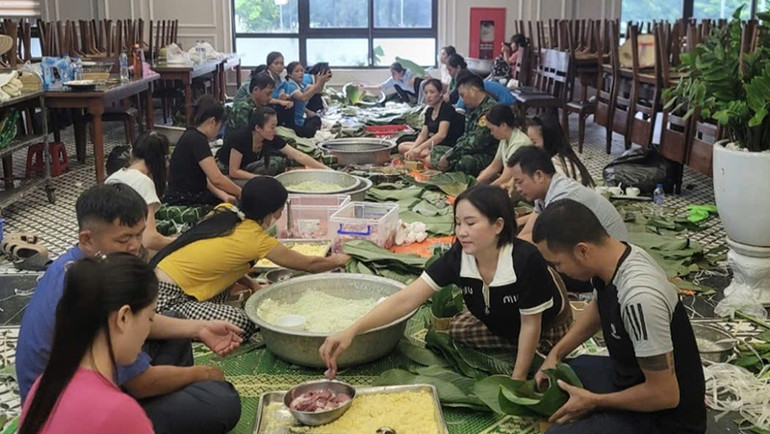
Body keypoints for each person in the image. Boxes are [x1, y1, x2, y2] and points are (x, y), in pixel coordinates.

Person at [16, 184, 242, 434]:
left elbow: (145, 322)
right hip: (85, 408)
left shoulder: (80, 268)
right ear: (88, 239)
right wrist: (202, 373)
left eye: (139, 234)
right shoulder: (82, 291)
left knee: (175, 324)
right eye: (124, 239)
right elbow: (139, 383)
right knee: (223, 400)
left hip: (58, 397)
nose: (135, 246)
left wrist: (199, 328)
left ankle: (171, 401)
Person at [319, 185, 572, 380]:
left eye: (471, 223)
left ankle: (544, 351)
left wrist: (516, 379)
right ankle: (519, 348)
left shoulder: (525, 261)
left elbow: (531, 324)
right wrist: (352, 330)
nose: (461, 232)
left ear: (498, 225)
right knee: (456, 330)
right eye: (458, 223)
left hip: (544, 324)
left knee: (537, 362)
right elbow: (407, 299)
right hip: (504, 320)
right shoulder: (460, 256)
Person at [531, 199, 706, 434]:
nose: (559, 271)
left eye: (558, 263)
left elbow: (665, 395)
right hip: (632, 377)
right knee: (566, 372)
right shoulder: (613, 257)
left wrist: (594, 401)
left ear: (582, 250)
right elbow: (599, 306)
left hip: (666, 418)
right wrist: (555, 354)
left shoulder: (639, 297)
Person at [151, 177, 350, 338]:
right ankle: (178, 324)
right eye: (281, 209)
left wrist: (252, 284)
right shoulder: (255, 239)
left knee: (231, 294)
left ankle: (201, 314)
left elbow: (223, 260)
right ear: (272, 211)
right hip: (166, 301)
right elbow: (310, 264)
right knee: (243, 324)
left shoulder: (225, 211)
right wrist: (341, 259)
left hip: (165, 282)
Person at [19, 254, 158, 434]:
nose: (149, 328)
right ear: (123, 317)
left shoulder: (45, 384)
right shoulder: (119, 412)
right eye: (150, 317)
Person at [507, 146, 627, 244]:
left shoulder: (562, 197)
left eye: (519, 181)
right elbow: (527, 234)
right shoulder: (545, 194)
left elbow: (541, 243)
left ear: (539, 176)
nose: (517, 188)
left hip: (611, 258)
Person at [165, 95, 242, 207]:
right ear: (212, 122)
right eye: (219, 126)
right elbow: (217, 179)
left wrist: (223, 195)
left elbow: (205, 179)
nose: (218, 131)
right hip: (186, 200)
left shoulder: (191, 134)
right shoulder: (197, 140)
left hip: (184, 195)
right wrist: (241, 192)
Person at [106, 132, 176, 252]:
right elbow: (149, 240)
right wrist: (183, 241)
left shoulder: (113, 178)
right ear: (164, 160)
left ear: (132, 153)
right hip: (126, 254)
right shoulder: (143, 182)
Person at [218, 107, 329, 182]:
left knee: (272, 166)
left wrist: (326, 170)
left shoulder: (269, 137)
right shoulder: (241, 138)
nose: (275, 130)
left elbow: (298, 155)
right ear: (258, 128)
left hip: (245, 167)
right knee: (257, 187)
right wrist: (261, 179)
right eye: (272, 127)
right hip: (226, 169)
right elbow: (234, 171)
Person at [430, 73, 498, 176]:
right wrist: (451, 153)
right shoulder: (472, 108)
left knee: (465, 163)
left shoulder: (490, 110)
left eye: (462, 95)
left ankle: (448, 169)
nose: (462, 100)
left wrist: (450, 156)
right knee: (436, 150)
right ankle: (448, 168)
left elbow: (476, 142)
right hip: (469, 150)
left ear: (474, 90)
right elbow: (465, 136)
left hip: (486, 154)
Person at [398, 79, 464, 167]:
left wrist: (420, 148)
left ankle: (423, 157)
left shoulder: (446, 109)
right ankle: (421, 156)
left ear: (440, 93)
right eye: (426, 93)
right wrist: (413, 149)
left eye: (432, 92)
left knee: (428, 160)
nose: (428, 96)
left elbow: (441, 135)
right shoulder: (429, 111)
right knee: (402, 146)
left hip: (448, 146)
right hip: (433, 146)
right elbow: (423, 135)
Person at [525, 115, 594, 187]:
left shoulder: (556, 167)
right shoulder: (565, 154)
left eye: (534, 142)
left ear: (549, 142)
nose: (530, 146)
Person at [476, 104, 532, 186]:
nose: (491, 133)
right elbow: (494, 166)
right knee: (483, 174)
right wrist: (474, 183)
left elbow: (506, 177)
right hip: (510, 180)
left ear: (503, 125)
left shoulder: (519, 143)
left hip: (519, 184)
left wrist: (484, 191)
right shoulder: (504, 139)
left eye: (492, 129)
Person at [283, 61, 331, 138]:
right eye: (297, 71)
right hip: (293, 123)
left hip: (301, 120)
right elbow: (303, 98)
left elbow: (317, 90)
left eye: (302, 71)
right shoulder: (290, 85)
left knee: (316, 119)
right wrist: (319, 82)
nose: (301, 73)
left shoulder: (301, 85)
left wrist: (322, 81)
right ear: (289, 74)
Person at [265, 51, 295, 123]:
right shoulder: (264, 79)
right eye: (276, 63)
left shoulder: (284, 82)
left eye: (282, 64)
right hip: (266, 111)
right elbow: (263, 99)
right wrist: (280, 101)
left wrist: (289, 101)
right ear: (269, 65)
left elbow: (287, 98)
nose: (279, 66)